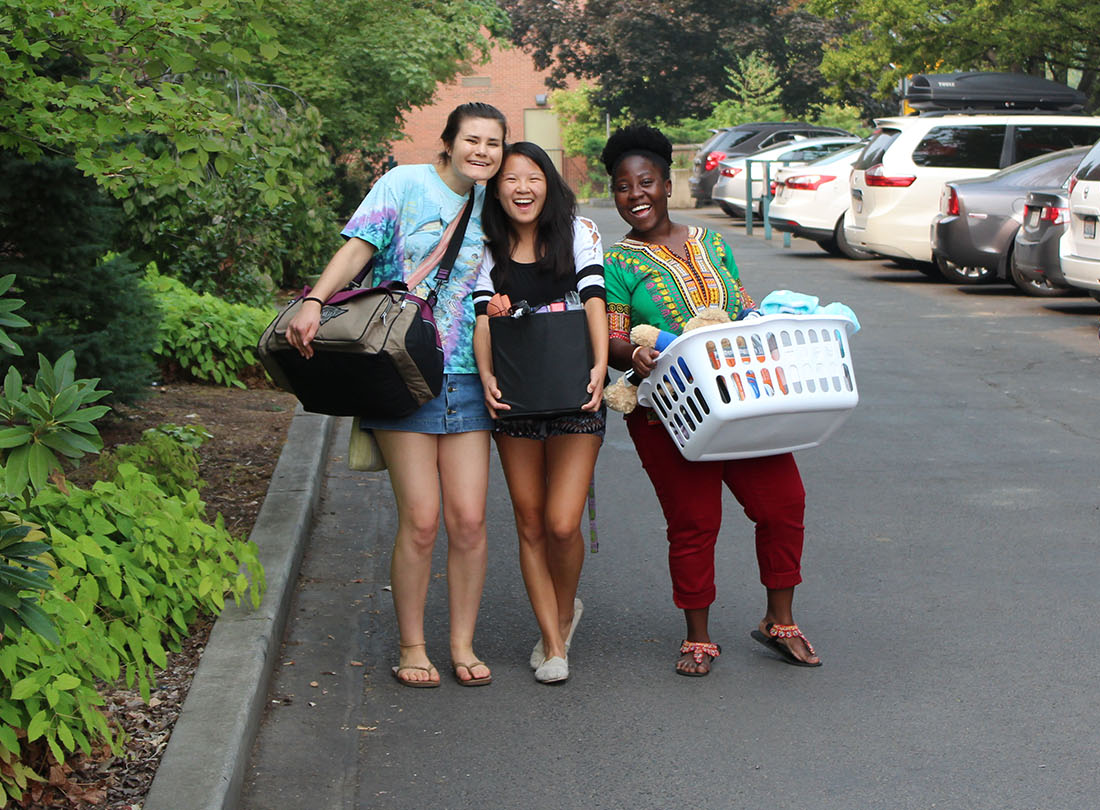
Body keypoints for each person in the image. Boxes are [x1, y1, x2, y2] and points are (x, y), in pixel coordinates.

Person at [285, 102, 507, 688]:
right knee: (422, 521)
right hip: (400, 370)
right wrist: (316, 299)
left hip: (467, 377)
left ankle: (461, 643)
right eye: (472, 140)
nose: (482, 151)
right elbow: (360, 246)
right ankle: (412, 645)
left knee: (469, 521)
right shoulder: (404, 183)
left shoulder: (498, 201)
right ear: (449, 141)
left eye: (493, 143)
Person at [600, 125, 822, 677]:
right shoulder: (617, 264)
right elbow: (609, 334)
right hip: (670, 411)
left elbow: (741, 303)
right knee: (694, 521)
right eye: (623, 187)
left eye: (645, 181)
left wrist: (764, 323)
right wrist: (636, 355)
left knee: (782, 503)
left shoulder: (712, 243)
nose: (636, 195)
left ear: (667, 184)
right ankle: (698, 635)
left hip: (742, 399)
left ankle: (780, 619)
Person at [470, 142, 606, 685]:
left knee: (560, 521)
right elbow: (483, 321)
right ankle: (553, 643)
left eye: (532, 177)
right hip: (516, 397)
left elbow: (594, 300)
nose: (522, 187)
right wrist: (486, 378)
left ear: (548, 183)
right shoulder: (485, 247)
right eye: (510, 178)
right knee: (529, 523)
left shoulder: (579, 232)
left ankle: (566, 611)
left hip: (576, 390)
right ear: (495, 189)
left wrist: (600, 367)